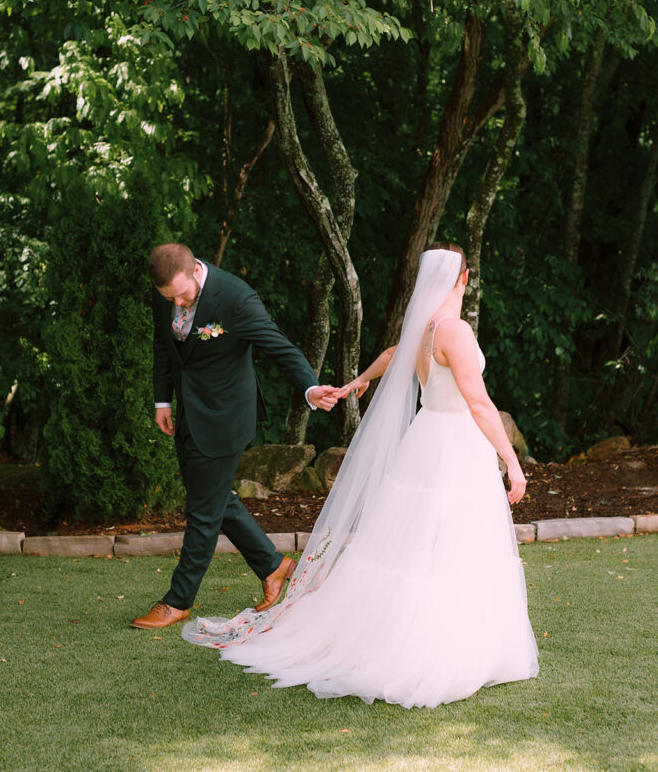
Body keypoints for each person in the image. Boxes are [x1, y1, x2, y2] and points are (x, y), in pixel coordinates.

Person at [182, 244, 539, 709]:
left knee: (414, 548)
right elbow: (478, 402)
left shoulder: (426, 328)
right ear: (465, 277)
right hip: (454, 447)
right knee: (453, 547)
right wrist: (511, 461)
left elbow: (393, 353)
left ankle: (408, 632)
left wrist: (360, 381)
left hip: (425, 440)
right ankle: (440, 649)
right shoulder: (454, 329)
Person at [130, 243, 339, 630]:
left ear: (195, 269)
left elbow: (279, 346)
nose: (176, 302)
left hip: (225, 417)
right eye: (168, 298)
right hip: (189, 413)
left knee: (202, 512)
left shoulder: (236, 298)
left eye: (181, 294)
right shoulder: (166, 293)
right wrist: (162, 401)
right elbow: (164, 345)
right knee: (214, 500)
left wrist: (310, 388)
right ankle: (274, 567)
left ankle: (178, 601)